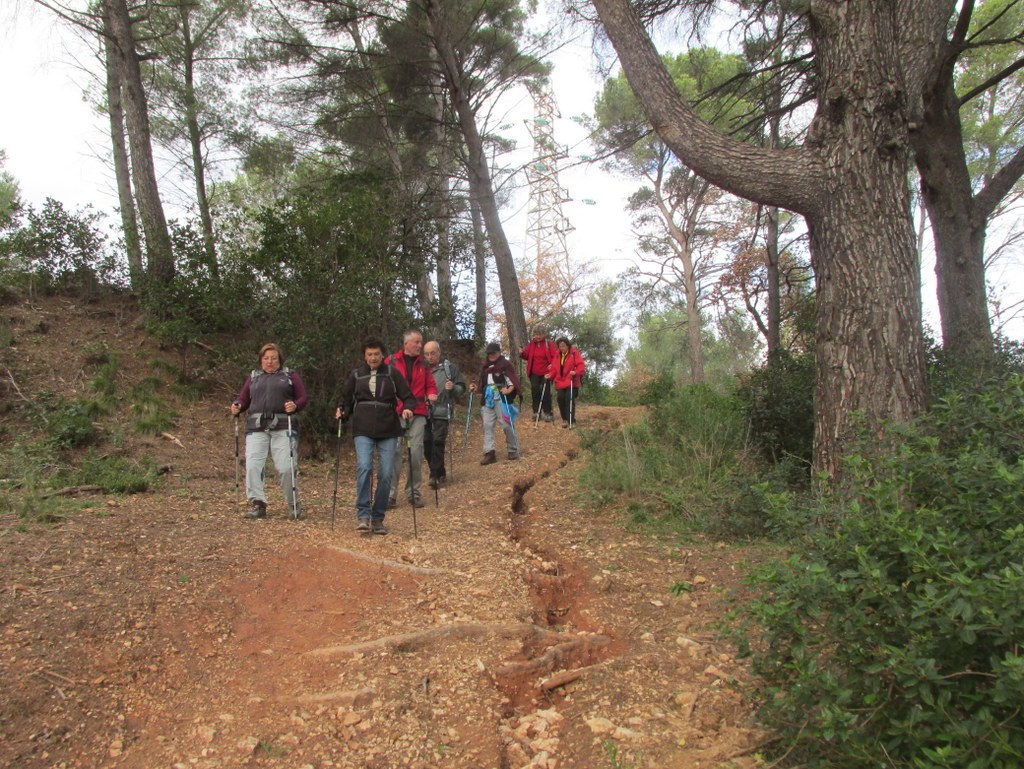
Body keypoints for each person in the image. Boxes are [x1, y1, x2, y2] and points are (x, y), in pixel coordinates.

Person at [337, 337, 415, 535]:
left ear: (383, 355)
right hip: (362, 428)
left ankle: (378, 516)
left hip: (388, 428)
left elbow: (407, 397)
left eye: (376, 354)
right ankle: (363, 514)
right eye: (369, 354)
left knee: (387, 473)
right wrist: (342, 412)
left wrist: (407, 409)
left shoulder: (392, 373)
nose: (373, 358)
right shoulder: (356, 375)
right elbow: (345, 400)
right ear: (364, 356)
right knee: (364, 467)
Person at [230, 343, 308, 519]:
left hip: (283, 425)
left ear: (280, 359)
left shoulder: (290, 376)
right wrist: (238, 406)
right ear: (261, 361)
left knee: (286, 467)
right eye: (266, 358)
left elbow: (303, 397)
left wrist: (295, 405)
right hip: (256, 427)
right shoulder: (253, 377)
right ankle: (258, 504)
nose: (270, 361)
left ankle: (293, 504)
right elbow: (243, 398)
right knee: (252, 464)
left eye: (273, 358)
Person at [385, 330, 438, 508]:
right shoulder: (391, 361)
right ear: (406, 343)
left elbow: (430, 384)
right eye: (416, 342)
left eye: (420, 342)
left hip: (418, 412)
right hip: (395, 413)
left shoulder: (423, 363)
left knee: (415, 453)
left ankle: (413, 493)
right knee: (395, 454)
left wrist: (431, 393)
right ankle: (390, 495)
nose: (419, 346)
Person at [469, 341, 521, 464]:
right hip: (488, 398)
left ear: (499, 352)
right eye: (489, 353)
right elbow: (482, 383)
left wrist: (508, 390)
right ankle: (489, 453)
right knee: (487, 424)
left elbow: (512, 380)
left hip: (502, 398)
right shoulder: (485, 367)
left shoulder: (506, 364)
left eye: (493, 353)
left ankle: (513, 450)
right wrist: (475, 387)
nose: (491, 355)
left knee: (506, 424)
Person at [423, 340, 466, 488]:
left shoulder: (450, 368)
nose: (430, 356)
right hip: (424, 411)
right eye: (427, 354)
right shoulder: (421, 369)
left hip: (442, 409)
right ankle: (439, 470)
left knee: (438, 441)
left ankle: (434, 475)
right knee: (426, 442)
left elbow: (462, 388)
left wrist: (453, 387)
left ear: (439, 352)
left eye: (433, 353)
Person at [520, 326, 558, 423]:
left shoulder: (549, 343)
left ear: (544, 334)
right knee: (535, 390)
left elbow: (555, 356)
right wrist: (521, 353)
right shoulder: (532, 344)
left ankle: (548, 412)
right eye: (536, 334)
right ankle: (536, 412)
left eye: (540, 334)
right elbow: (526, 355)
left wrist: (552, 365)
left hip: (547, 373)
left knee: (546, 392)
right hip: (534, 372)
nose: (538, 336)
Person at [549, 336, 585, 428]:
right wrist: (550, 375)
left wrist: (575, 372)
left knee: (569, 398)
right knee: (560, 398)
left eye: (563, 346)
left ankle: (571, 421)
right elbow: (554, 368)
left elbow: (581, 365)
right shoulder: (557, 355)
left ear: (568, 345)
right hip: (560, 382)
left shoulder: (574, 353)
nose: (562, 348)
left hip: (572, 380)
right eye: (560, 346)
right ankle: (565, 419)